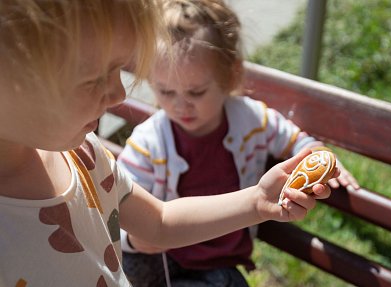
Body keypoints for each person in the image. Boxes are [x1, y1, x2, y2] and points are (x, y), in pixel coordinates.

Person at [0, 1, 334, 286]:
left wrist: (257, 200)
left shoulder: (85, 155)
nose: (118, 94)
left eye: (119, 70)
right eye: (94, 79)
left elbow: (159, 223)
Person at [117, 0, 359, 286]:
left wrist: (317, 156)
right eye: (165, 91)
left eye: (196, 92)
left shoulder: (251, 119)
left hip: (219, 265)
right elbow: (118, 207)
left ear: (230, 75)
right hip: (162, 264)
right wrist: (133, 239)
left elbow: (293, 140)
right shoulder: (148, 143)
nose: (181, 105)